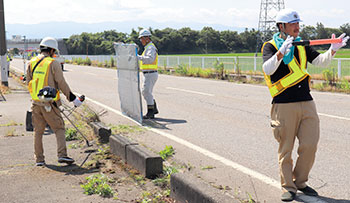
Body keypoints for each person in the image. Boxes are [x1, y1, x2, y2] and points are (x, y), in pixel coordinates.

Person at [261, 9, 349, 201]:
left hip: (306, 101)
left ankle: (300, 181)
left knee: (310, 144)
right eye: (293, 24)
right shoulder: (270, 46)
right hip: (284, 105)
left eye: (298, 23)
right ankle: (288, 186)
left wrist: (334, 49)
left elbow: (320, 62)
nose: (297, 26)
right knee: (286, 147)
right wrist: (281, 51)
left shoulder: (301, 45)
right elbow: (267, 68)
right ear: (281, 27)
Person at [26, 37, 83, 166]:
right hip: (50, 103)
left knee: (38, 131)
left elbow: (28, 82)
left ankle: (39, 160)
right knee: (59, 128)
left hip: (35, 103)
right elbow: (61, 83)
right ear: (51, 50)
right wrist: (73, 98)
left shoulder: (31, 62)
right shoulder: (53, 63)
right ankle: (62, 155)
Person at [138, 29, 159, 119]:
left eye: (141, 38)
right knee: (146, 92)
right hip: (148, 73)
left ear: (147, 38)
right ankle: (153, 108)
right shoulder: (148, 47)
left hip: (151, 73)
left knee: (146, 92)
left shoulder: (151, 48)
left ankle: (151, 112)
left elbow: (150, 59)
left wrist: (138, 57)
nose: (141, 41)